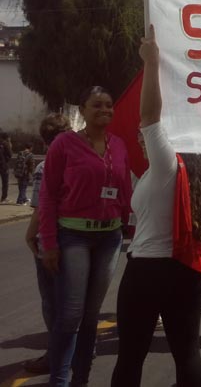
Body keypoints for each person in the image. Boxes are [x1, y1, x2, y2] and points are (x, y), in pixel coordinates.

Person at [111, 31, 201, 386]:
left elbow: (149, 115)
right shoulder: (185, 170)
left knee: (131, 356)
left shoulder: (166, 165)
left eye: (143, 135)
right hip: (186, 272)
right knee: (187, 353)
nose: (140, 137)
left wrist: (152, 63)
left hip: (148, 269)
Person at [39, 86, 133, 387]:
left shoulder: (118, 145)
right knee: (70, 314)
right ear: (82, 110)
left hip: (109, 238)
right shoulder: (64, 144)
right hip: (73, 237)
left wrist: (129, 225)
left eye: (109, 105)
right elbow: (48, 195)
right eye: (97, 105)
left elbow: (124, 191)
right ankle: (59, 381)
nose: (105, 110)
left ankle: (81, 379)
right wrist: (49, 243)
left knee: (92, 315)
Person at [23, 113, 72, 374]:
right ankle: (80, 351)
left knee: (52, 302)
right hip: (78, 239)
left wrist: (30, 235)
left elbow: (40, 207)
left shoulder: (46, 165)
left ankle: (55, 356)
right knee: (74, 301)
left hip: (50, 241)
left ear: (45, 140)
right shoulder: (81, 159)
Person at [0, 131, 11, 202]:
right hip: (3, 165)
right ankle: (4, 198)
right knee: (5, 182)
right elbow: (10, 154)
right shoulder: (6, 144)